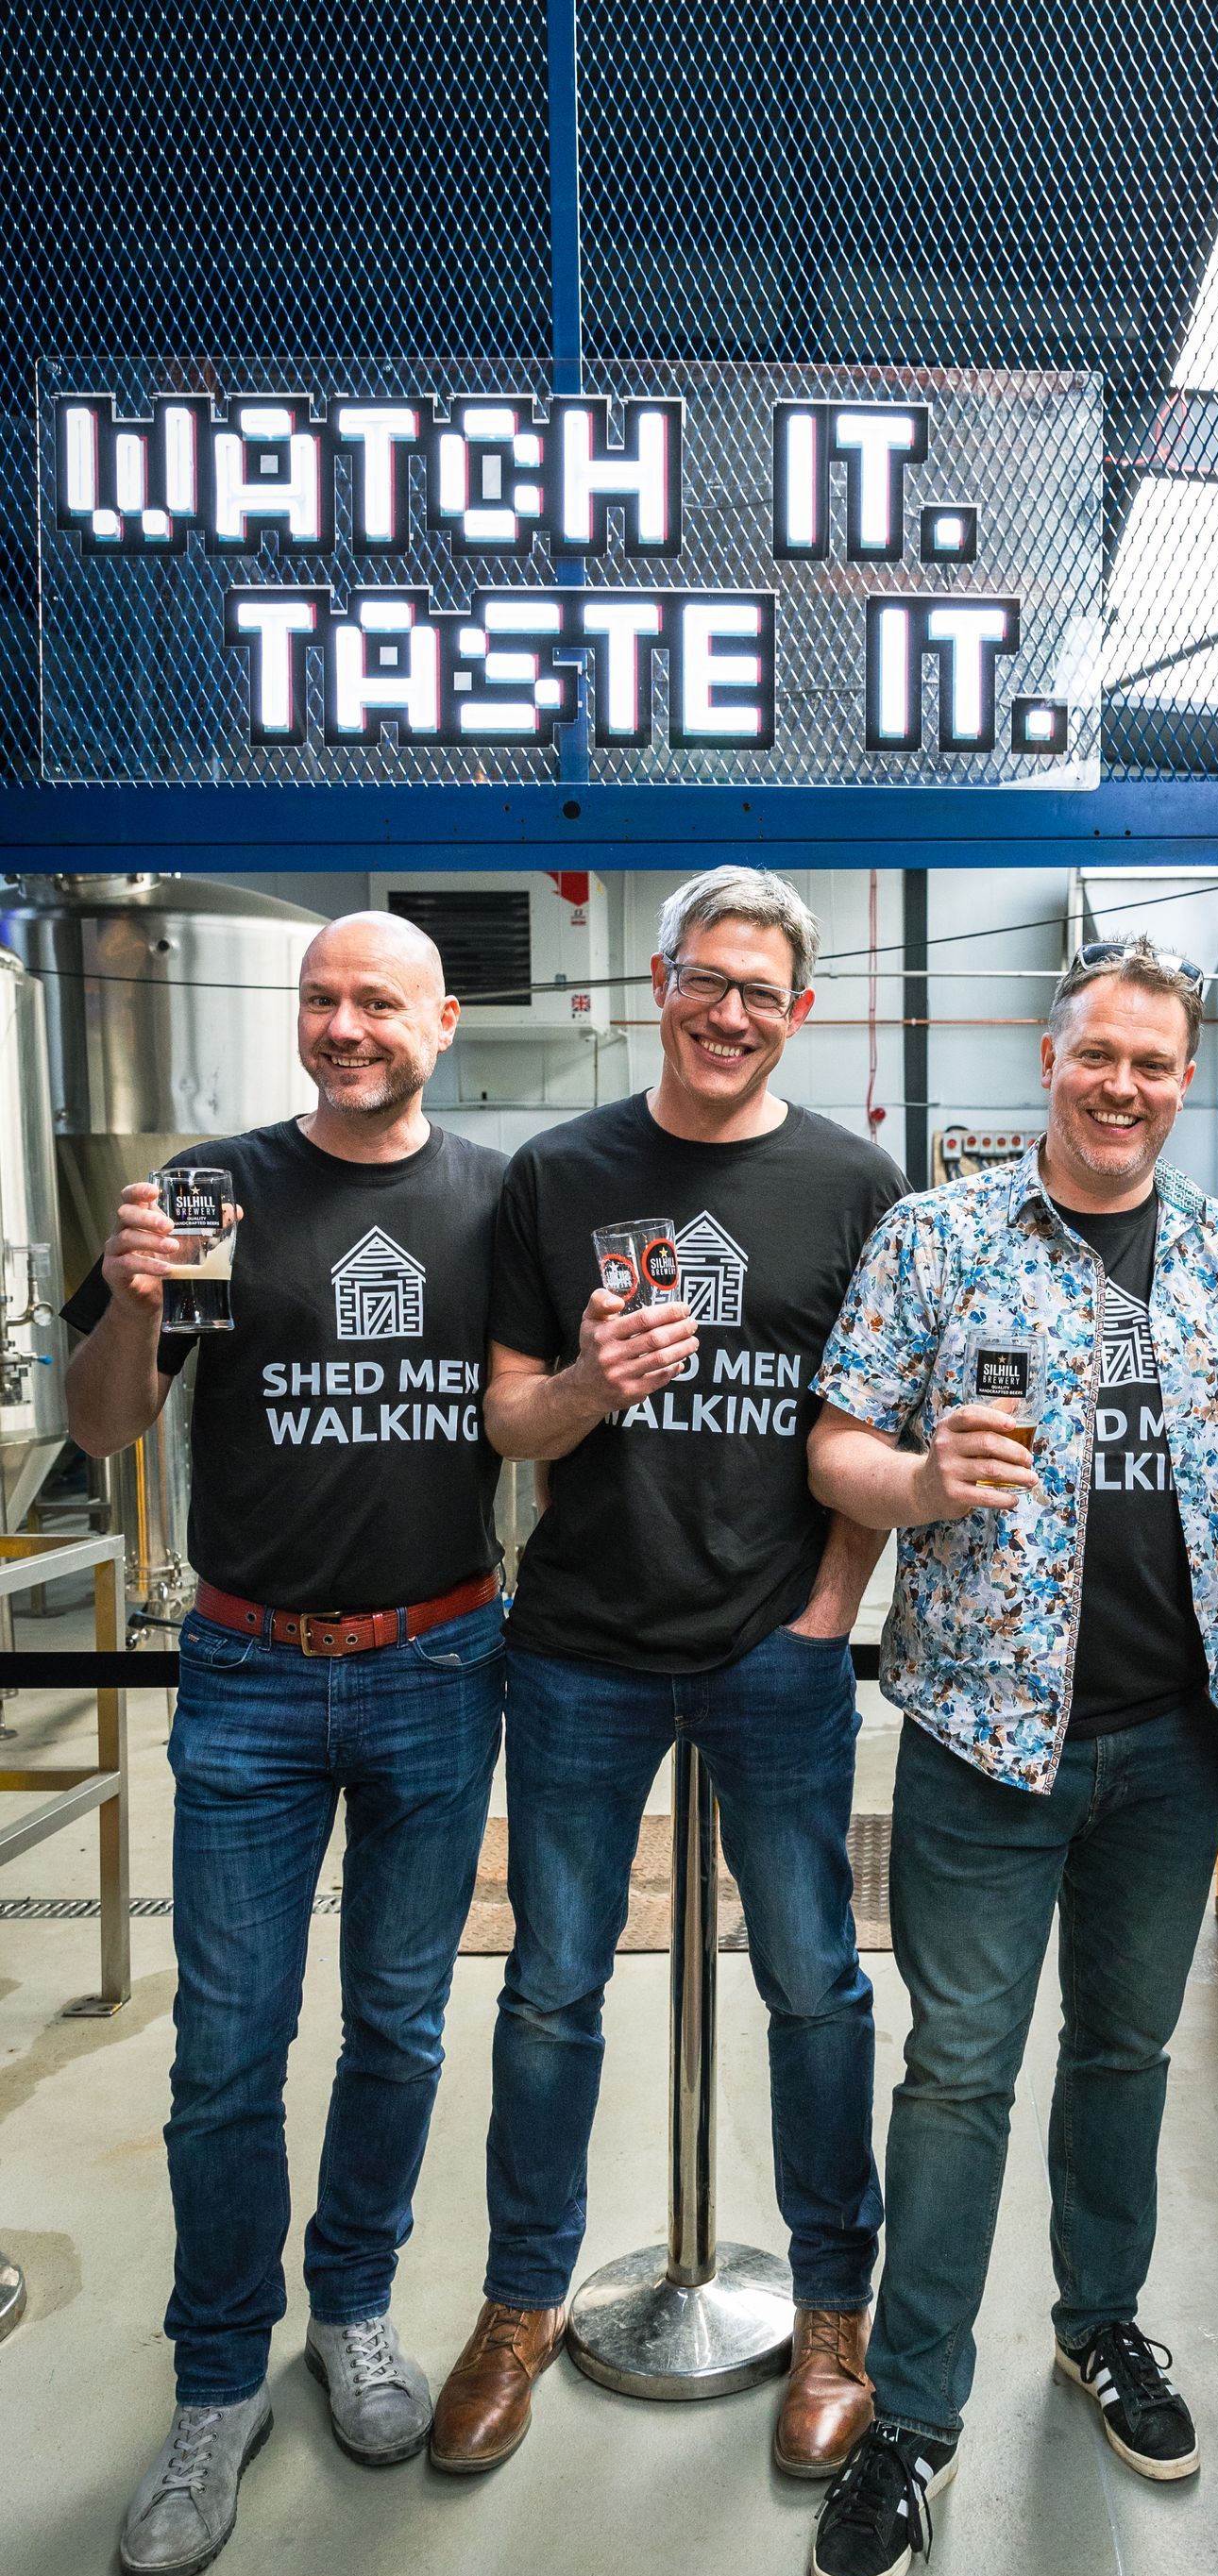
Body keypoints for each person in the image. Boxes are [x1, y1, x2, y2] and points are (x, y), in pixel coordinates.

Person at [801, 936, 1218, 2576]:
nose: (1123, 1084)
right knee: (958, 2079)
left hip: (1177, 1744)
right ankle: (913, 2419)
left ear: (1187, 1072)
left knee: (1129, 2056)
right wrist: (921, 1483)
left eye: (1155, 1060)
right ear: (1050, 1053)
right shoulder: (938, 1239)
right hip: (985, 1744)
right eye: (1097, 1054)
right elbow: (838, 1443)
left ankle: (1101, 2330)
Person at [431, 865, 905, 2481]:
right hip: (580, 1649)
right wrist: (584, 1379)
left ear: (800, 1012)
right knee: (553, 1985)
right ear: (657, 979)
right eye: (707, 979)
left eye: (761, 992)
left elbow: (876, 1430)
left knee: (815, 1982)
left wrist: (831, 1605)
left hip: (777, 1649)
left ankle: (833, 2307)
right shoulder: (558, 1173)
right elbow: (505, 1418)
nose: (728, 1013)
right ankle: (518, 2304)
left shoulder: (857, 1183)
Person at [63, 913, 508, 2576]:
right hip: (247, 1671)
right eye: (320, 999)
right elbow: (108, 1426)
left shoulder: (490, 1202)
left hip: (439, 1659)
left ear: (439, 1022)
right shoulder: (209, 1188)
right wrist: (127, 1300)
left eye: (376, 1001)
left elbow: (533, 1407)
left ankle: (356, 2313)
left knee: (396, 2026)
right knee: (223, 2058)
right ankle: (212, 2380)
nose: (344, 1025)